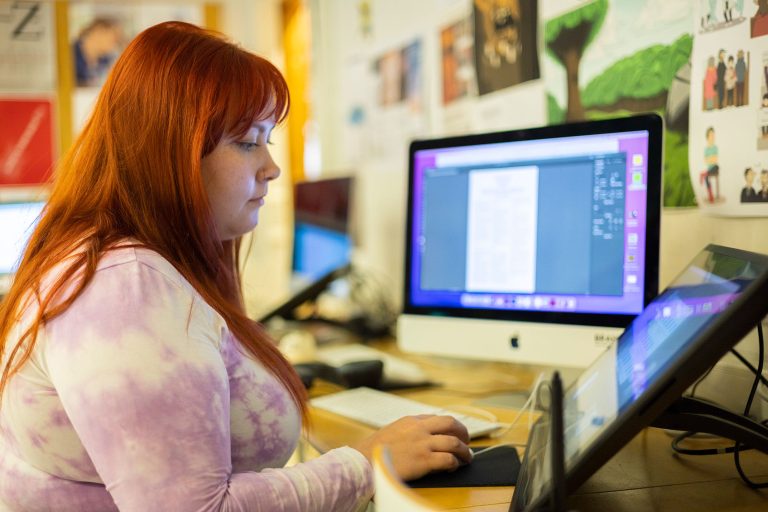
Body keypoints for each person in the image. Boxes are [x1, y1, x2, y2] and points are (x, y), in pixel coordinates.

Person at [0, 22, 472, 511]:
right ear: (171, 150)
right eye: (249, 142)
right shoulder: (122, 287)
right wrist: (366, 462)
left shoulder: (137, 265)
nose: (272, 166)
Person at [72, 17, 124, 87]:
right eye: (114, 37)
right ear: (99, 31)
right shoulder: (70, 53)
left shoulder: (105, 61)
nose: (115, 43)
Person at [704, 127, 720, 202]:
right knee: (706, 177)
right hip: (709, 169)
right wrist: (711, 158)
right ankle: (710, 194)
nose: (712, 137)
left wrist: (710, 159)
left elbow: (715, 160)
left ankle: (703, 174)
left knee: (707, 173)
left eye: (713, 135)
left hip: (715, 168)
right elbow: (706, 161)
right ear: (707, 137)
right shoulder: (706, 149)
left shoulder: (715, 148)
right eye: (711, 135)